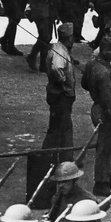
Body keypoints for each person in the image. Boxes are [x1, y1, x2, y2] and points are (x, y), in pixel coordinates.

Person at [83, 36, 111, 195]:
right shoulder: (102, 71)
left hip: (99, 108)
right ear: (104, 50)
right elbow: (108, 102)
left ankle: (109, 179)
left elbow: (84, 84)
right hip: (105, 112)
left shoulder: (92, 63)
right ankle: (100, 184)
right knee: (105, 148)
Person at [44, 21, 78, 157]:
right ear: (69, 38)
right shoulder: (59, 52)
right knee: (61, 129)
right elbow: (56, 67)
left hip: (61, 95)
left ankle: (59, 156)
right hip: (60, 96)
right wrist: (62, 79)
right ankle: (63, 158)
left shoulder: (61, 49)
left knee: (60, 128)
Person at [26, 0, 59, 75]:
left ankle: (41, 62)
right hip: (39, 10)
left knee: (47, 37)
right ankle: (34, 57)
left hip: (48, 10)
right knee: (44, 36)